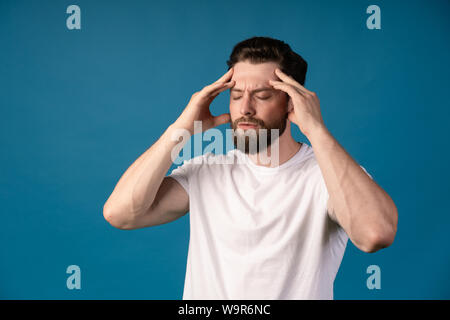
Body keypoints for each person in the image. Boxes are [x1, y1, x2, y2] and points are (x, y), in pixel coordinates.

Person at [103, 36, 398, 300]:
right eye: (235, 95)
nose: (245, 108)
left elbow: (375, 234)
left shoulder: (329, 176)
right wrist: (181, 129)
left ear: (291, 103)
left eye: (262, 95)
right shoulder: (206, 170)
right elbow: (121, 213)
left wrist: (316, 130)